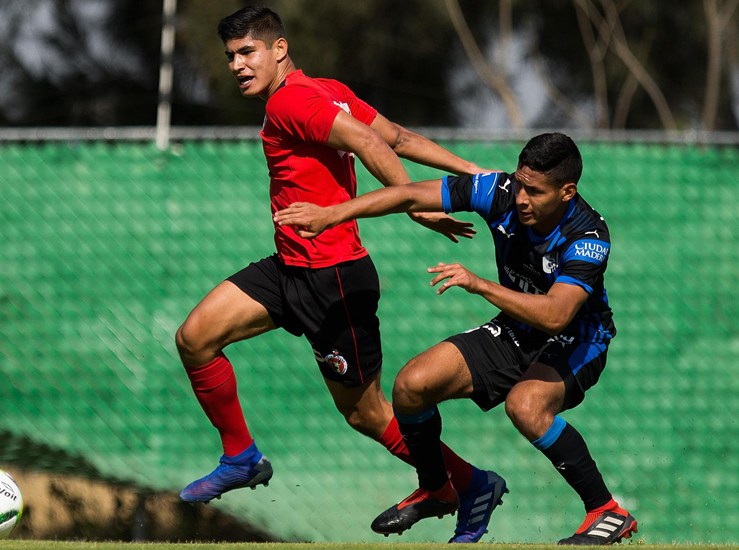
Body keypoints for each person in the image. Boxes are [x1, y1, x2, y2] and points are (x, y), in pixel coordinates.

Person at [175, 7, 507, 542]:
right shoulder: (324, 89)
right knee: (195, 338)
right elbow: (395, 134)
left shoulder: (292, 100)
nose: (237, 65)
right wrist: (475, 173)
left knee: (369, 414)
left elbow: (372, 145)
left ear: (279, 49)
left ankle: (470, 484)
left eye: (247, 52)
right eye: (231, 56)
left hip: (334, 280)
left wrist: (413, 203)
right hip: (289, 268)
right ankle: (240, 456)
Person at [274, 133, 638, 545]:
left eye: (534, 191)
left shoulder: (588, 235)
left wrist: (480, 285)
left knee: (526, 406)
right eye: (520, 184)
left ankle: (607, 511)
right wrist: (332, 215)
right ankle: (438, 488)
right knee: (411, 386)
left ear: (567, 191)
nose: (521, 198)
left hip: (579, 338)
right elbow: (410, 195)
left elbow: (556, 316)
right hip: (519, 329)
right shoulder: (499, 192)